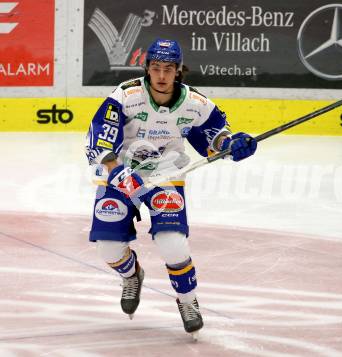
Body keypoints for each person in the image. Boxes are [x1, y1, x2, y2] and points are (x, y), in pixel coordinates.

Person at [85, 38, 257, 337]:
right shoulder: (126, 95)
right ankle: (131, 274)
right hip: (121, 173)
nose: (162, 75)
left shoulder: (196, 103)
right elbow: (100, 137)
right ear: (147, 69)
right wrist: (119, 174)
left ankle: (188, 301)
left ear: (178, 70)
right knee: (108, 248)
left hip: (166, 173)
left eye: (168, 68)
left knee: (173, 243)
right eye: (156, 68)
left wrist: (232, 144)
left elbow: (215, 138)